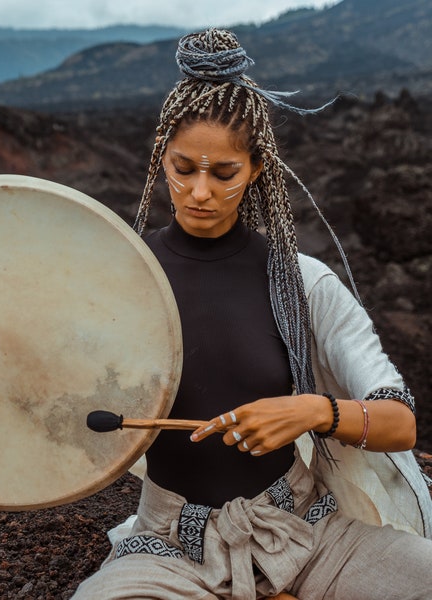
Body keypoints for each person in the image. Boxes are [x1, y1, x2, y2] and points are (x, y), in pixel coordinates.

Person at [73, 28, 432, 599]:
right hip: (170, 545)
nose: (199, 192)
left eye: (223, 174)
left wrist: (313, 411)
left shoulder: (303, 283)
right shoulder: (122, 283)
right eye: (183, 168)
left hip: (306, 531)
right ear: (161, 157)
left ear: (258, 168)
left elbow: (401, 423)